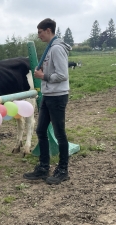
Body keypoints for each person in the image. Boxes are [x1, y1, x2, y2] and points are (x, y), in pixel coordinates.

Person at [23, 18, 71, 185]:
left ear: (48, 30)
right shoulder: (50, 48)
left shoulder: (57, 49)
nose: (39, 35)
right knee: (41, 131)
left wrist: (44, 76)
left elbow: (63, 75)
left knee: (59, 133)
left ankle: (63, 170)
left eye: (40, 32)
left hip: (57, 96)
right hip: (49, 95)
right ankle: (44, 167)